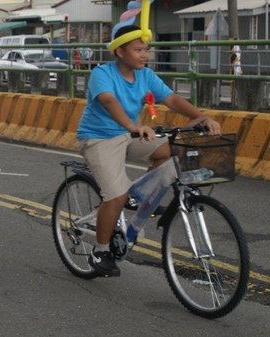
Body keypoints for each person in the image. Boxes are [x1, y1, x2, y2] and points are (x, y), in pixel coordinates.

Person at [76, 24, 221, 277]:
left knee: (173, 149)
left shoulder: (145, 75)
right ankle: (100, 251)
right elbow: (109, 102)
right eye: (138, 49)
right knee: (116, 196)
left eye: (146, 49)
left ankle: (141, 195)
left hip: (130, 134)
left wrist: (201, 117)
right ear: (120, 52)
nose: (145, 54)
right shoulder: (102, 74)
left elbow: (172, 100)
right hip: (99, 138)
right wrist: (134, 126)